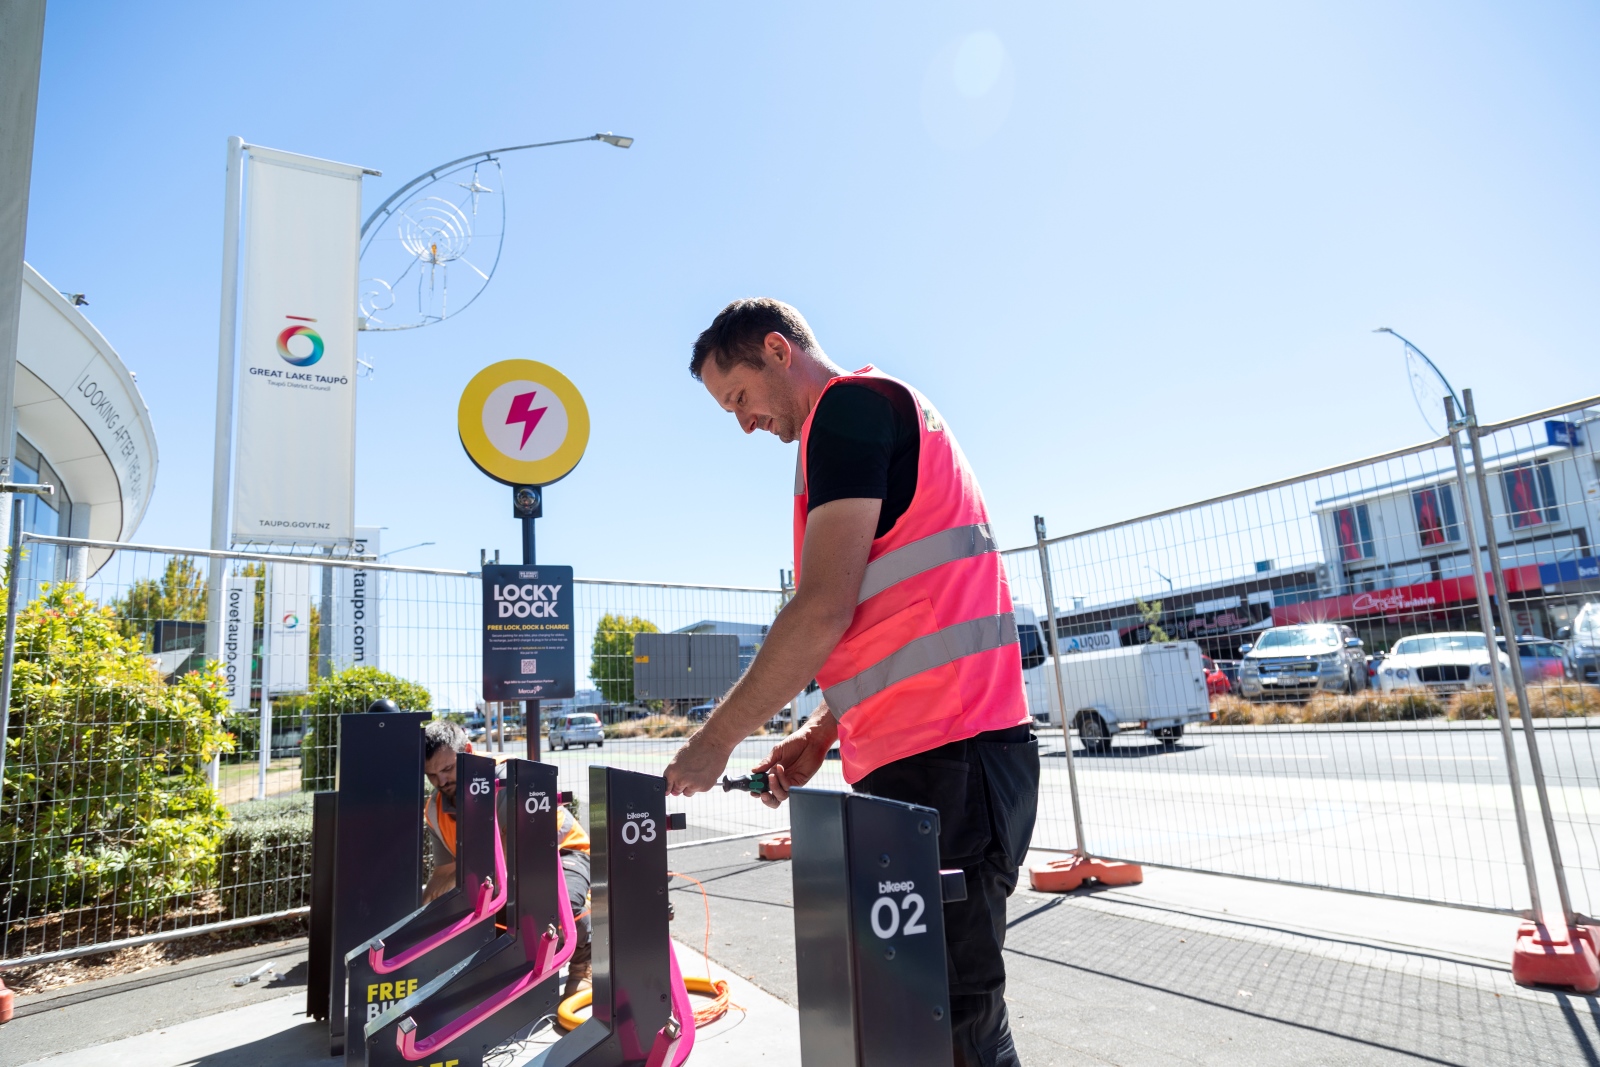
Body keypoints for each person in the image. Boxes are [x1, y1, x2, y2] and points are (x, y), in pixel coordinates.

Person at [663, 298, 1039, 1067]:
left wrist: (715, 740)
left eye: (739, 397)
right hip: (940, 760)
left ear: (776, 349)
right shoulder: (868, 417)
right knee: (932, 1020)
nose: (744, 424)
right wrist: (819, 732)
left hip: (954, 763)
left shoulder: (848, 411)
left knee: (955, 1026)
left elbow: (824, 606)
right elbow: (894, 617)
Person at [421, 719, 593, 998]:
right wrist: (426, 915)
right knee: (490, 917)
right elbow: (444, 872)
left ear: (467, 749)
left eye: (448, 769)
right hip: (504, 873)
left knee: (552, 904)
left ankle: (584, 954)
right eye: (431, 775)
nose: (441, 782)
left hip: (560, 853)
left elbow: (519, 856)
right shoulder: (435, 809)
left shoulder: (507, 778)